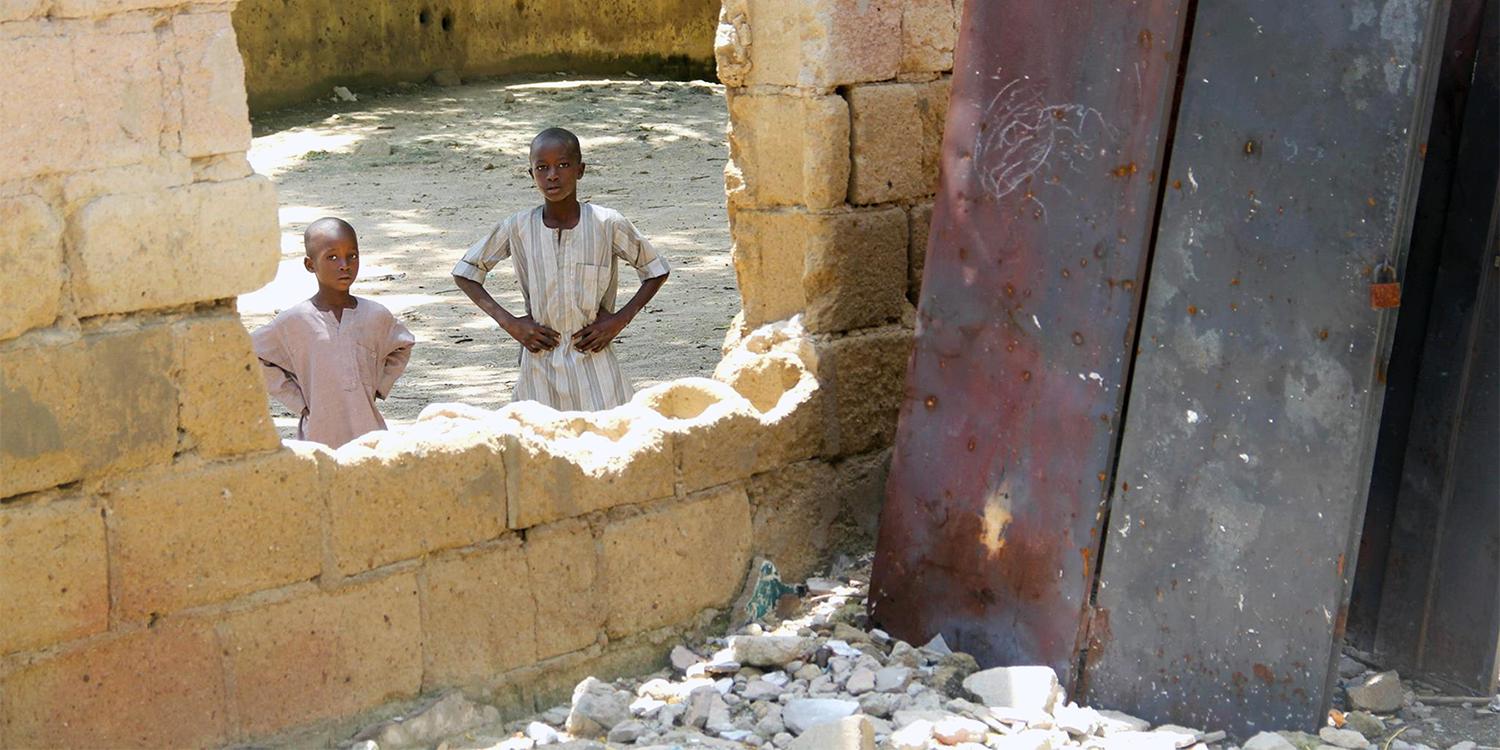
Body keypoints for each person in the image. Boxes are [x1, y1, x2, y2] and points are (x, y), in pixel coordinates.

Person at [452, 127, 670, 411]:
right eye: (542, 168)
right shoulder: (518, 227)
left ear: (580, 170)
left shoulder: (607, 224)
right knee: (539, 445)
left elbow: (655, 270)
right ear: (531, 175)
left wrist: (618, 321)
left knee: (608, 438)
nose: (552, 175)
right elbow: (466, 272)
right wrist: (512, 324)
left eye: (563, 165)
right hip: (539, 364)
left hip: (595, 362)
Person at [252, 217, 416, 447]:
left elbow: (403, 344)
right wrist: (298, 400)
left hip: (369, 431)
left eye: (352, 255)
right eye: (332, 257)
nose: (344, 265)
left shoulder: (375, 315)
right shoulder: (294, 321)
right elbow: (253, 354)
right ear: (310, 265)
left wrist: (378, 385)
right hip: (319, 433)